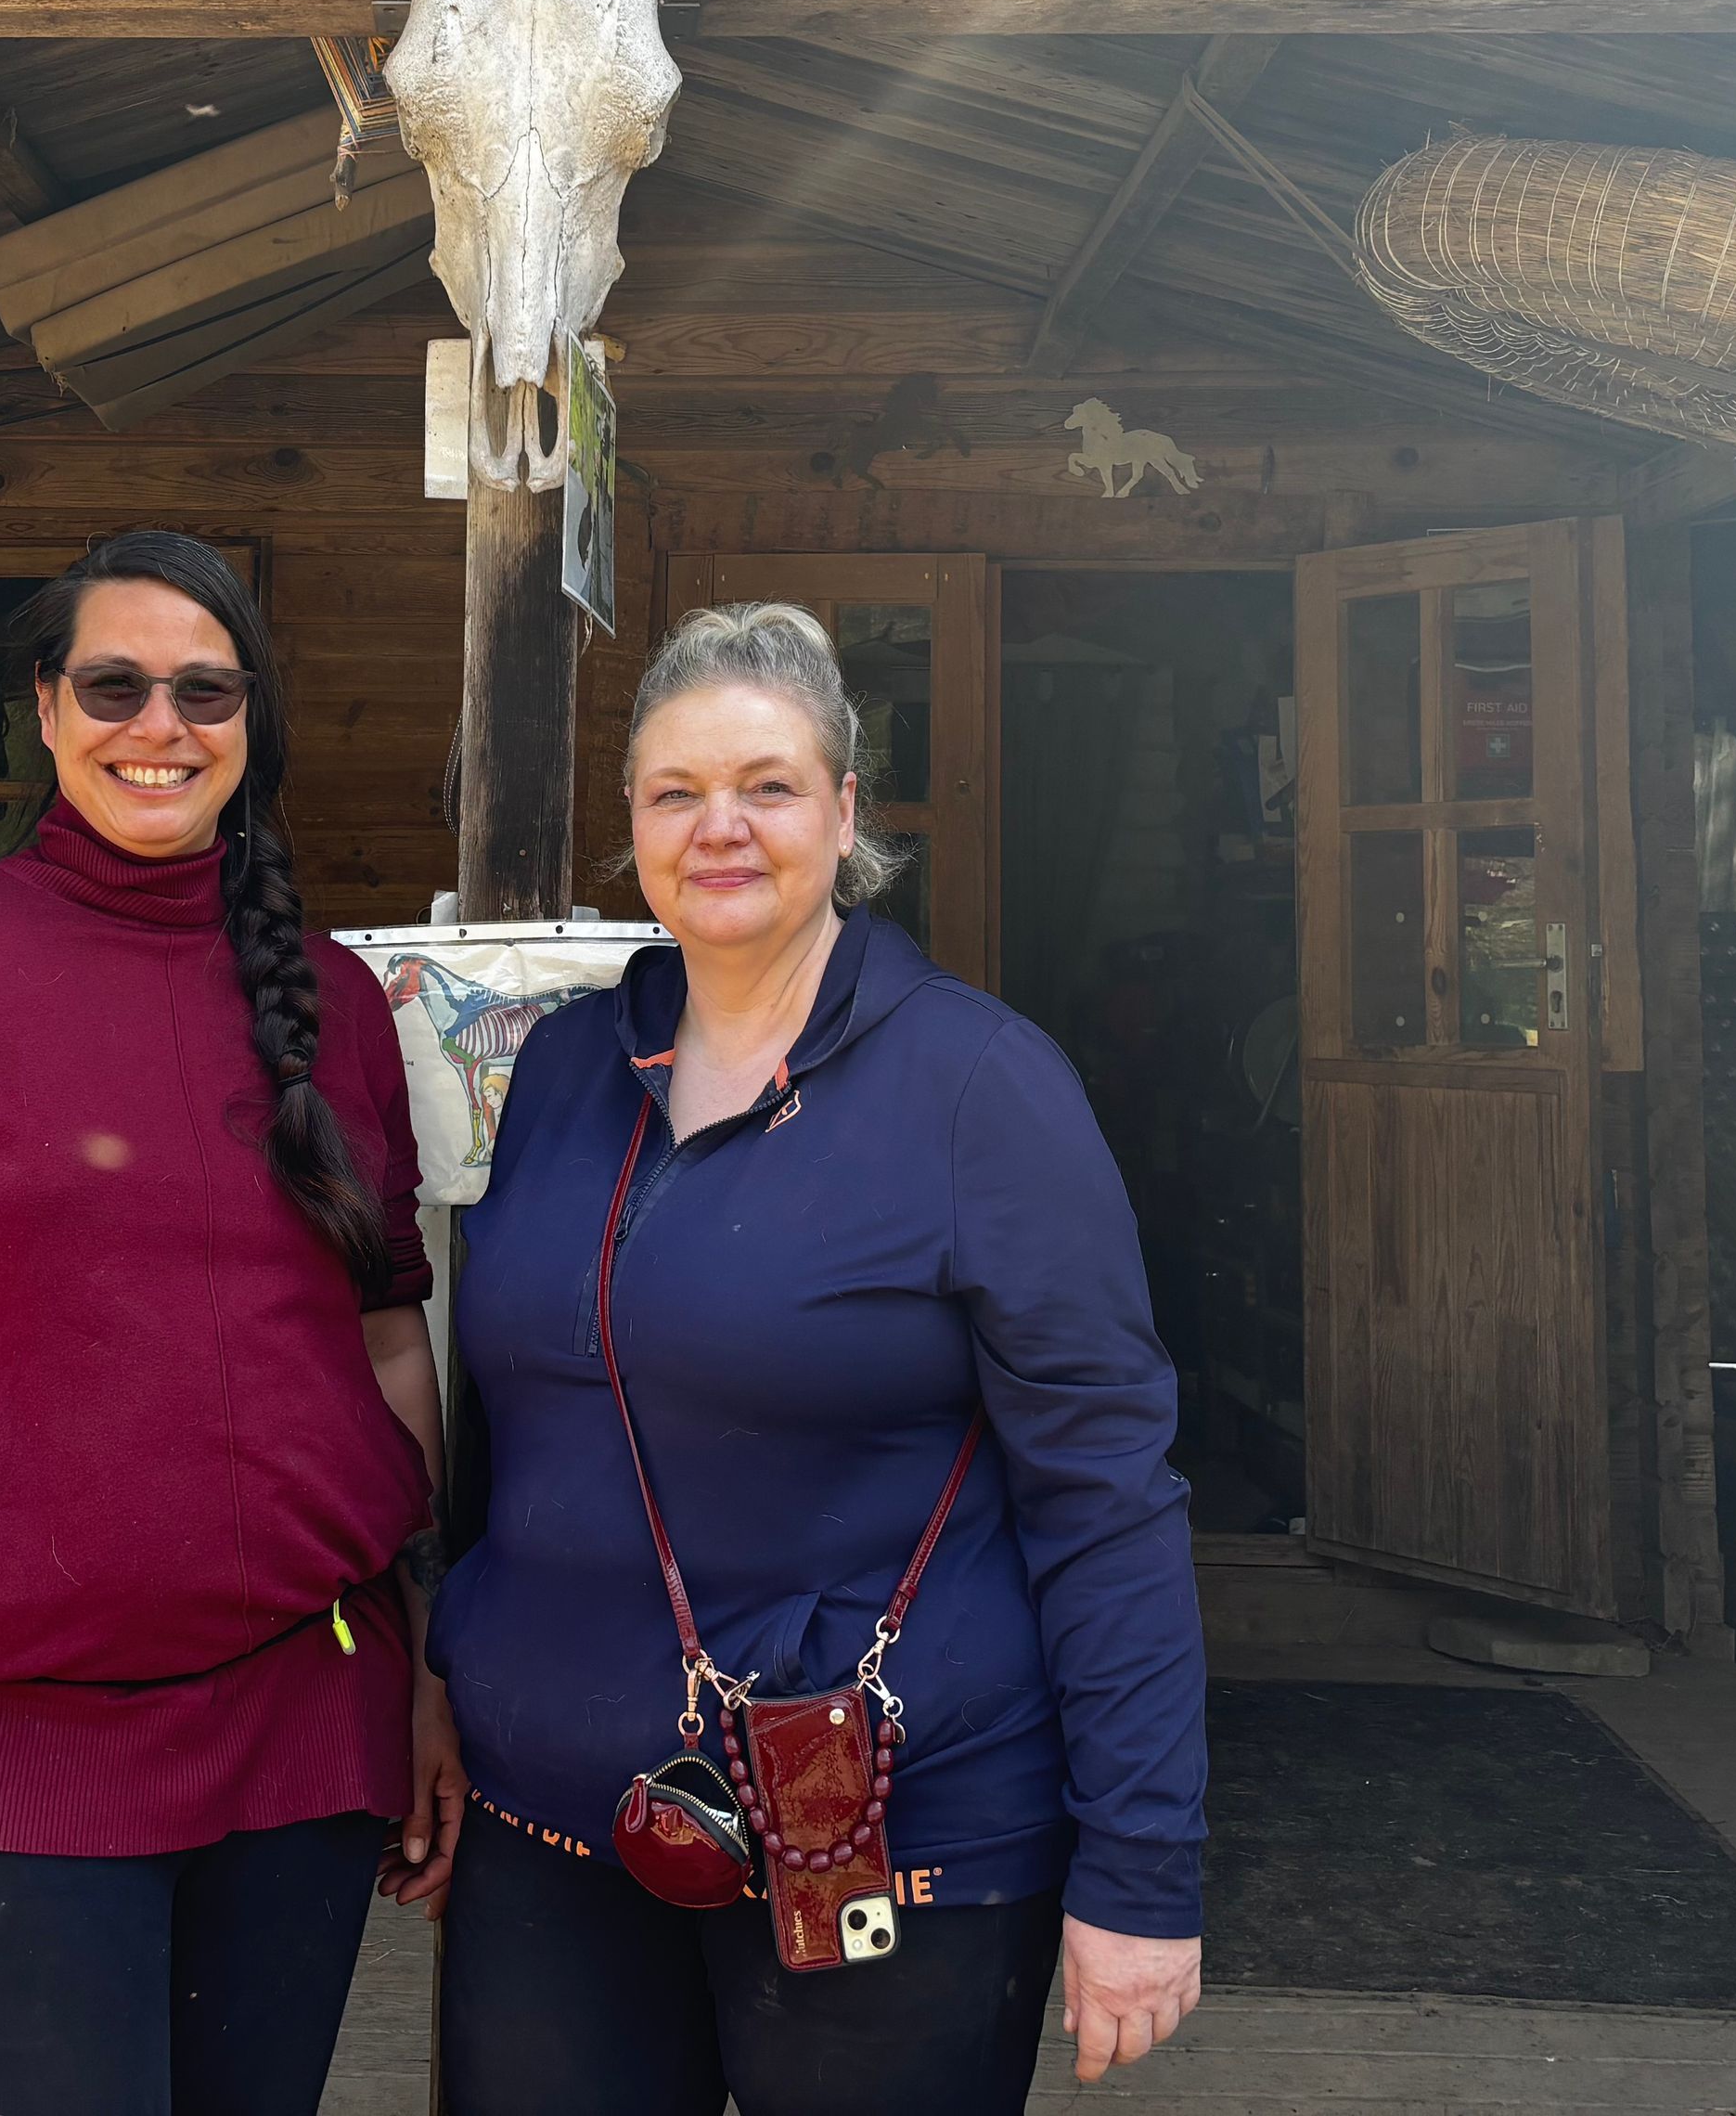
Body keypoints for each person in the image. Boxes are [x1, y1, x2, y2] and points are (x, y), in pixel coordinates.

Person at [0, 528, 462, 2116]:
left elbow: (387, 1329)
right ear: (44, 712)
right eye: (114, 685)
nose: (161, 725)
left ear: (251, 724)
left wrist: (425, 1664)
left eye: (207, 690)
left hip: (302, 1730)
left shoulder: (330, 1001)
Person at [431, 601, 1205, 2113]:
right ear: (635, 825)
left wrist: (1143, 1871)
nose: (721, 826)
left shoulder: (980, 1086)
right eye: (676, 793)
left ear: (847, 813)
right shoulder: (568, 1071)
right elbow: (505, 1435)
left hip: (885, 1835)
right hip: (552, 1824)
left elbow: (1107, 1498)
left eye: (770, 786)